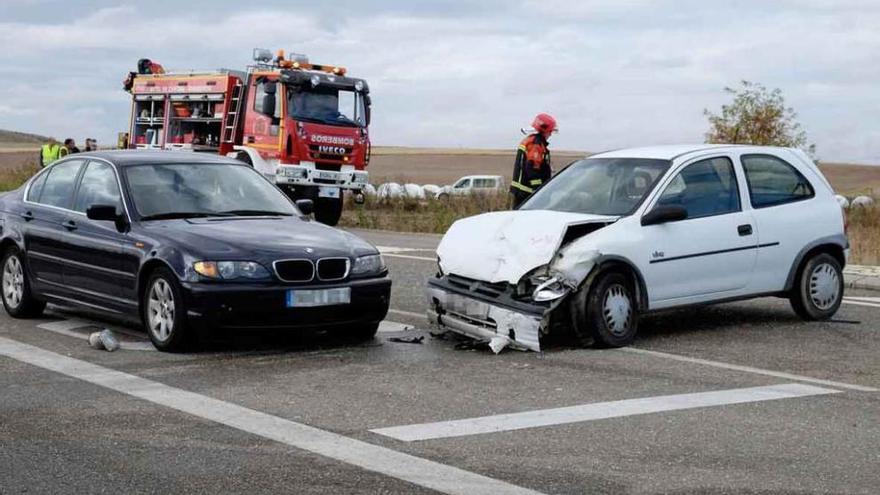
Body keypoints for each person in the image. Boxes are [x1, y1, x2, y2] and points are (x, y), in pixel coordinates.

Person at [510, 113, 556, 208]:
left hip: (523, 191)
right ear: (544, 130)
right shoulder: (536, 144)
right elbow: (532, 167)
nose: (551, 134)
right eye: (550, 131)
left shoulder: (532, 141)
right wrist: (539, 189)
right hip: (527, 192)